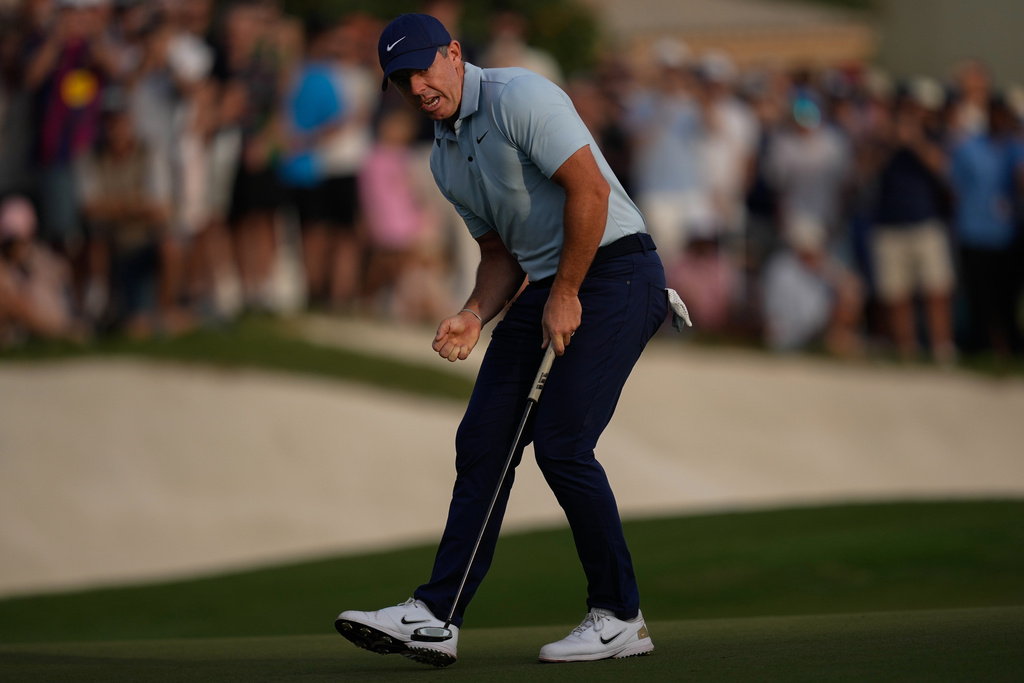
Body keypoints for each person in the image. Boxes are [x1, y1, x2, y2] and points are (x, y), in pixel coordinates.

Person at [335, 13, 666, 668]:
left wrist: (566, 291)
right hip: (550, 281)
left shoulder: (520, 95)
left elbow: (590, 190)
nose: (417, 87)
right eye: (401, 81)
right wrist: (473, 313)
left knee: (564, 444)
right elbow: (498, 255)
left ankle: (620, 616)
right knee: (484, 440)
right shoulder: (443, 155)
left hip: (619, 271)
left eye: (423, 69)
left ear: (454, 53)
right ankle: (436, 616)